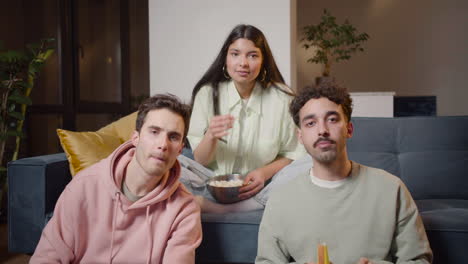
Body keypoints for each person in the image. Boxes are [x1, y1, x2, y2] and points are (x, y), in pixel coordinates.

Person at [256, 82, 433, 264]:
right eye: (310, 123)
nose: (322, 130)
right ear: (300, 137)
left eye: (332, 119)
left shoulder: (392, 189)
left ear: (349, 129)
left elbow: (418, 260)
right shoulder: (280, 200)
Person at [31, 94, 202, 263]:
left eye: (173, 137)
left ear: (180, 149)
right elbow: (47, 257)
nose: (163, 145)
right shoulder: (84, 186)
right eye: (154, 132)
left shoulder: (184, 208)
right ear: (135, 138)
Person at [182, 24, 305, 213]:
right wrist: (211, 136)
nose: (243, 63)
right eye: (235, 54)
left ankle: (246, 206)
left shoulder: (283, 97)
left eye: (253, 55)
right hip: (212, 182)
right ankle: (219, 201)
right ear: (226, 58)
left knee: (310, 164)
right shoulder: (207, 94)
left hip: (262, 186)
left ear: (263, 61)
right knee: (175, 162)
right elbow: (200, 160)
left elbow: (293, 153)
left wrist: (264, 173)